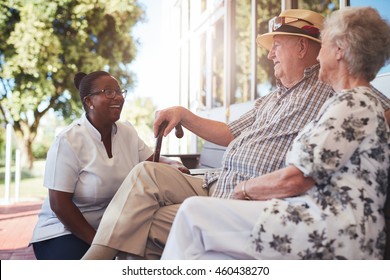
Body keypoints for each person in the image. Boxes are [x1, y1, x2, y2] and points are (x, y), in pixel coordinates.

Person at [82, 9, 390, 260]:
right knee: (146, 174)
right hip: (221, 181)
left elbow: (368, 100)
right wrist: (184, 115)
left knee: (147, 220)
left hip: (258, 198)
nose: (270, 56)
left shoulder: (338, 93)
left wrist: (248, 188)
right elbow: (230, 132)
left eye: (276, 46)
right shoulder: (272, 97)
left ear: (302, 47)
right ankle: (99, 259)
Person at [30, 71, 187, 260]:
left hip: (111, 229)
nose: (119, 97)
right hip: (63, 231)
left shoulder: (127, 131)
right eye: (109, 92)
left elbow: (150, 160)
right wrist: (102, 246)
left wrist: (172, 164)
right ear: (89, 102)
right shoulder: (68, 141)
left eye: (120, 92)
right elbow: (59, 204)